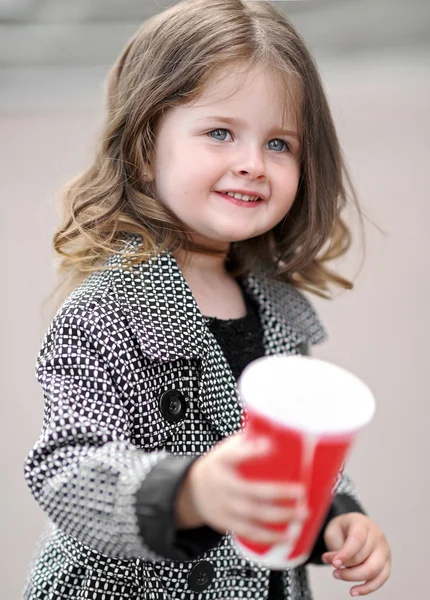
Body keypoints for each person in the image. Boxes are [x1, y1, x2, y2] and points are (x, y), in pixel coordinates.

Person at [22, 1, 391, 598]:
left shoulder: (279, 310)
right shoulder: (104, 311)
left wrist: (336, 515)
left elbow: (296, 453)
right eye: (220, 133)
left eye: (279, 144)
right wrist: (190, 490)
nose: (252, 164)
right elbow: (65, 470)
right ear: (145, 149)